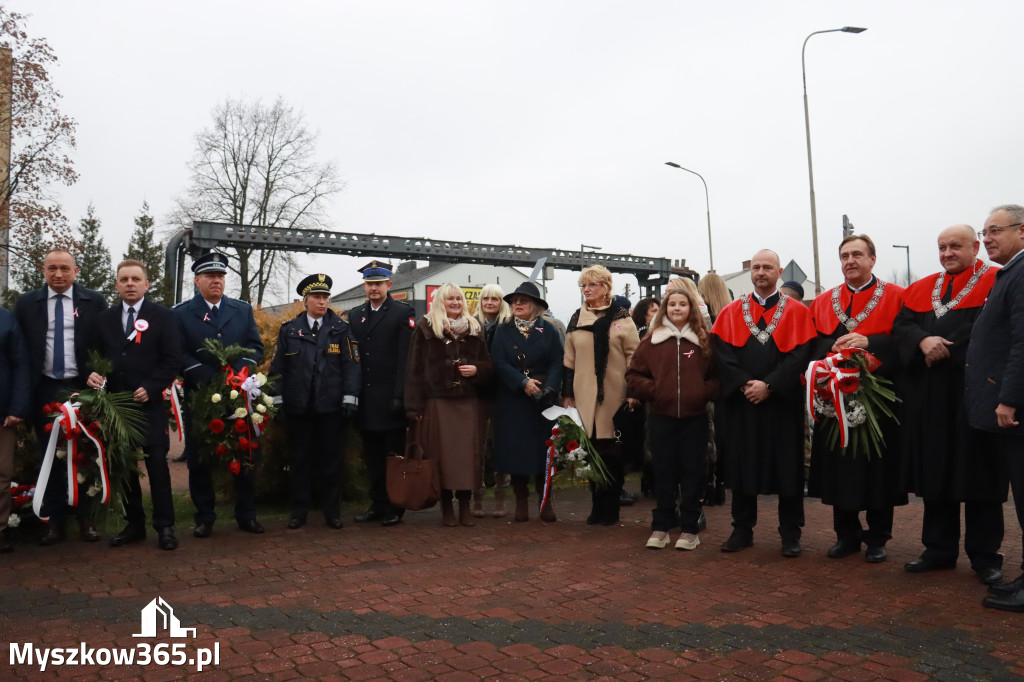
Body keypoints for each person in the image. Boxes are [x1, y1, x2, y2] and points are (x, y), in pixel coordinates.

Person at [894, 225, 1004, 584]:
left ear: (975, 246)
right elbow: (903, 325)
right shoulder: (923, 287)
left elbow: (988, 331)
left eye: (955, 246)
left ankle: (985, 555)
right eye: (942, 247)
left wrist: (945, 349)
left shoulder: (996, 280)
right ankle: (938, 548)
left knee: (979, 475)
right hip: (931, 398)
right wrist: (923, 341)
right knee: (936, 471)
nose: (947, 253)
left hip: (974, 393)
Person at [710, 249, 816, 557]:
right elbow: (723, 356)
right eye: (756, 267)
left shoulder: (796, 311)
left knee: (788, 467)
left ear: (779, 271)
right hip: (743, 404)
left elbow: (800, 356)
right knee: (742, 466)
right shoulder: (731, 311)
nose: (760, 272)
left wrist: (769, 385)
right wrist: (746, 384)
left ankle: (790, 533)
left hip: (781, 404)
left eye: (767, 267)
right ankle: (742, 529)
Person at [807, 234, 906, 563]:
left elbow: (904, 342)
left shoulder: (897, 297)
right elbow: (814, 345)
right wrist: (830, 353)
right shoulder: (823, 301)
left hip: (879, 397)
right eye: (845, 256)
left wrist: (869, 343)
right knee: (840, 467)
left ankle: (878, 537)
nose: (850, 261)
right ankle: (845, 534)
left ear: (872, 259)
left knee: (879, 467)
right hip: (835, 397)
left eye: (857, 255)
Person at [86, 260, 182, 550]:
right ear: (116, 285)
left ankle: (165, 526)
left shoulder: (163, 317)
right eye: (124, 279)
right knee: (125, 468)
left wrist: (152, 387)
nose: (130, 283)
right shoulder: (103, 319)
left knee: (157, 467)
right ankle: (134, 524)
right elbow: (93, 357)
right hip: (116, 407)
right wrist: (90, 374)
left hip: (148, 404)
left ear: (146, 284)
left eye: (135, 279)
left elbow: (173, 359)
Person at [15, 248, 108, 545]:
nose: (58, 274)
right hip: (43, 388)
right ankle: (53, 522)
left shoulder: (94, 301)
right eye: (52, 268)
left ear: (76, 271)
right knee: (49, 455)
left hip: (82, 388)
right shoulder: (27, 303)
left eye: (64, 268)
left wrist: (98, 374)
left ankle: (86, 519)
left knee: (84, 454)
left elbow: (104, 346)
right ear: (44, 270)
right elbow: (18, 352)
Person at [174, 252, 264, 538]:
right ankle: (205, 517)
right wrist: (206, 375)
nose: (217, 281)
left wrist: (237, 373)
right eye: (210, 276)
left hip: (238, 396)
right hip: (200, 395)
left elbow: (255, 348)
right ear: (197, 279)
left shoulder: (242, 310)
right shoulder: (180, 313)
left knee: (243, 454)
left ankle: (246, 514)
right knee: (200, 460)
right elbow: (177, 352)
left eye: (221, 276)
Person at [963, 205, 1024, 612]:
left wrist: (1009, 398)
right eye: (984, 232)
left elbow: (1022, 342)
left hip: (1016, 410)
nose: (987, 239)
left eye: (995, 230)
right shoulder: (1011, 273)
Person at [626, 288, 719, 550]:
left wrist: (702, 392)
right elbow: (633, 375)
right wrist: (655, 392)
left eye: (682, 304)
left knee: (692, 472)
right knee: (663, 472)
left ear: (691, 309)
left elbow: (717, 377)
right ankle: (661, 526)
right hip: (661, 417)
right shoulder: (651, 341)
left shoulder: (704, 341)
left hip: (695, 417)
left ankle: (690, 528)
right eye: (672, 305)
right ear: (665, 309)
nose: (677, 308)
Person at [269, 274, 361, 530]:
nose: (322, 302)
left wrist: (350, 400)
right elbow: (278, 369)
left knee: (331, 462)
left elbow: (351, 367)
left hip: (331, 408)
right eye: (317, 297)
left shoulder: (342, 329)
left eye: (325, 297)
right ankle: (299, 512)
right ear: (305, 301)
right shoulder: (289, 329)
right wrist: (277, 400)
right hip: (299, 408)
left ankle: (332, 512)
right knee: (299, 462)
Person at [405, 283, 493, 526]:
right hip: (437, 402)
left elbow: (488, 365)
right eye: (449, 299)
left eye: (458, 299)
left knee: (467, 457)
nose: (455, 303)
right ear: (440, 301)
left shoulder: (475, 328)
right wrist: (414, 408)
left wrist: (477, 370)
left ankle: (465, 505)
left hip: (468, 403)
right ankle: (447, 507)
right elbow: (414, 370)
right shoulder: (425, 328)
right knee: (441, 456)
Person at [562, 265, 640, 525]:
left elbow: (634, 357)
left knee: (612, 453)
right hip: (584, 396)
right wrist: (567, 395)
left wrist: (633, 392)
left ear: (606, 288)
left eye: (593, 285)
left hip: (615, 396)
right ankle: (597, 507)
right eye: (584, 285)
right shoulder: (576, 319)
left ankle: (612, 508)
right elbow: (569, 361)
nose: (587, 290)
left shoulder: (622, 318)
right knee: (591, 452)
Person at [348, 260, 416, 527]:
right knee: (372, 457)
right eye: (369, 284)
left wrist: (401, 396)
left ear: (389, 285)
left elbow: (405, 359)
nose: (373, 288)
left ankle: (394, 506)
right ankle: (377, 503)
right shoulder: (355, 315)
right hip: (365, 400)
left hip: (390, 399)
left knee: (392, 457)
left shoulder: (402, 313)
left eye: (378, 283)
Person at [490, 282, 563, 522]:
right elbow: (499, 362)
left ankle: (545, 499)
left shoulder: (549, 330)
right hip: (514, 399)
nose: (517, 305)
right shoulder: (502, 331)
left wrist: (550, 387)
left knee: (543, 451)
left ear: (535, 306)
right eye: (514, 301)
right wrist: (523, 383)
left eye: (523, 301)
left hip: (543, 399)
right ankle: (521, 500)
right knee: (516, 451)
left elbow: (556, 362)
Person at [472, 283, 512, 517]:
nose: (489, 303)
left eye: (494, 299)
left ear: (500, 303)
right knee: (476, 445)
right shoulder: (471, 324)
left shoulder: (508, 326)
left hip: (502, 392)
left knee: (502, 444)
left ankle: (501, 494)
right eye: (486, 298)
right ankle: (477, 494)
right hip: (477, 393)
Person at [0, 306, 30, 553]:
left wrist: (17, 407)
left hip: (2, 413)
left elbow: (20, 364)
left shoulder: (6, 318)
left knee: (1, 474)